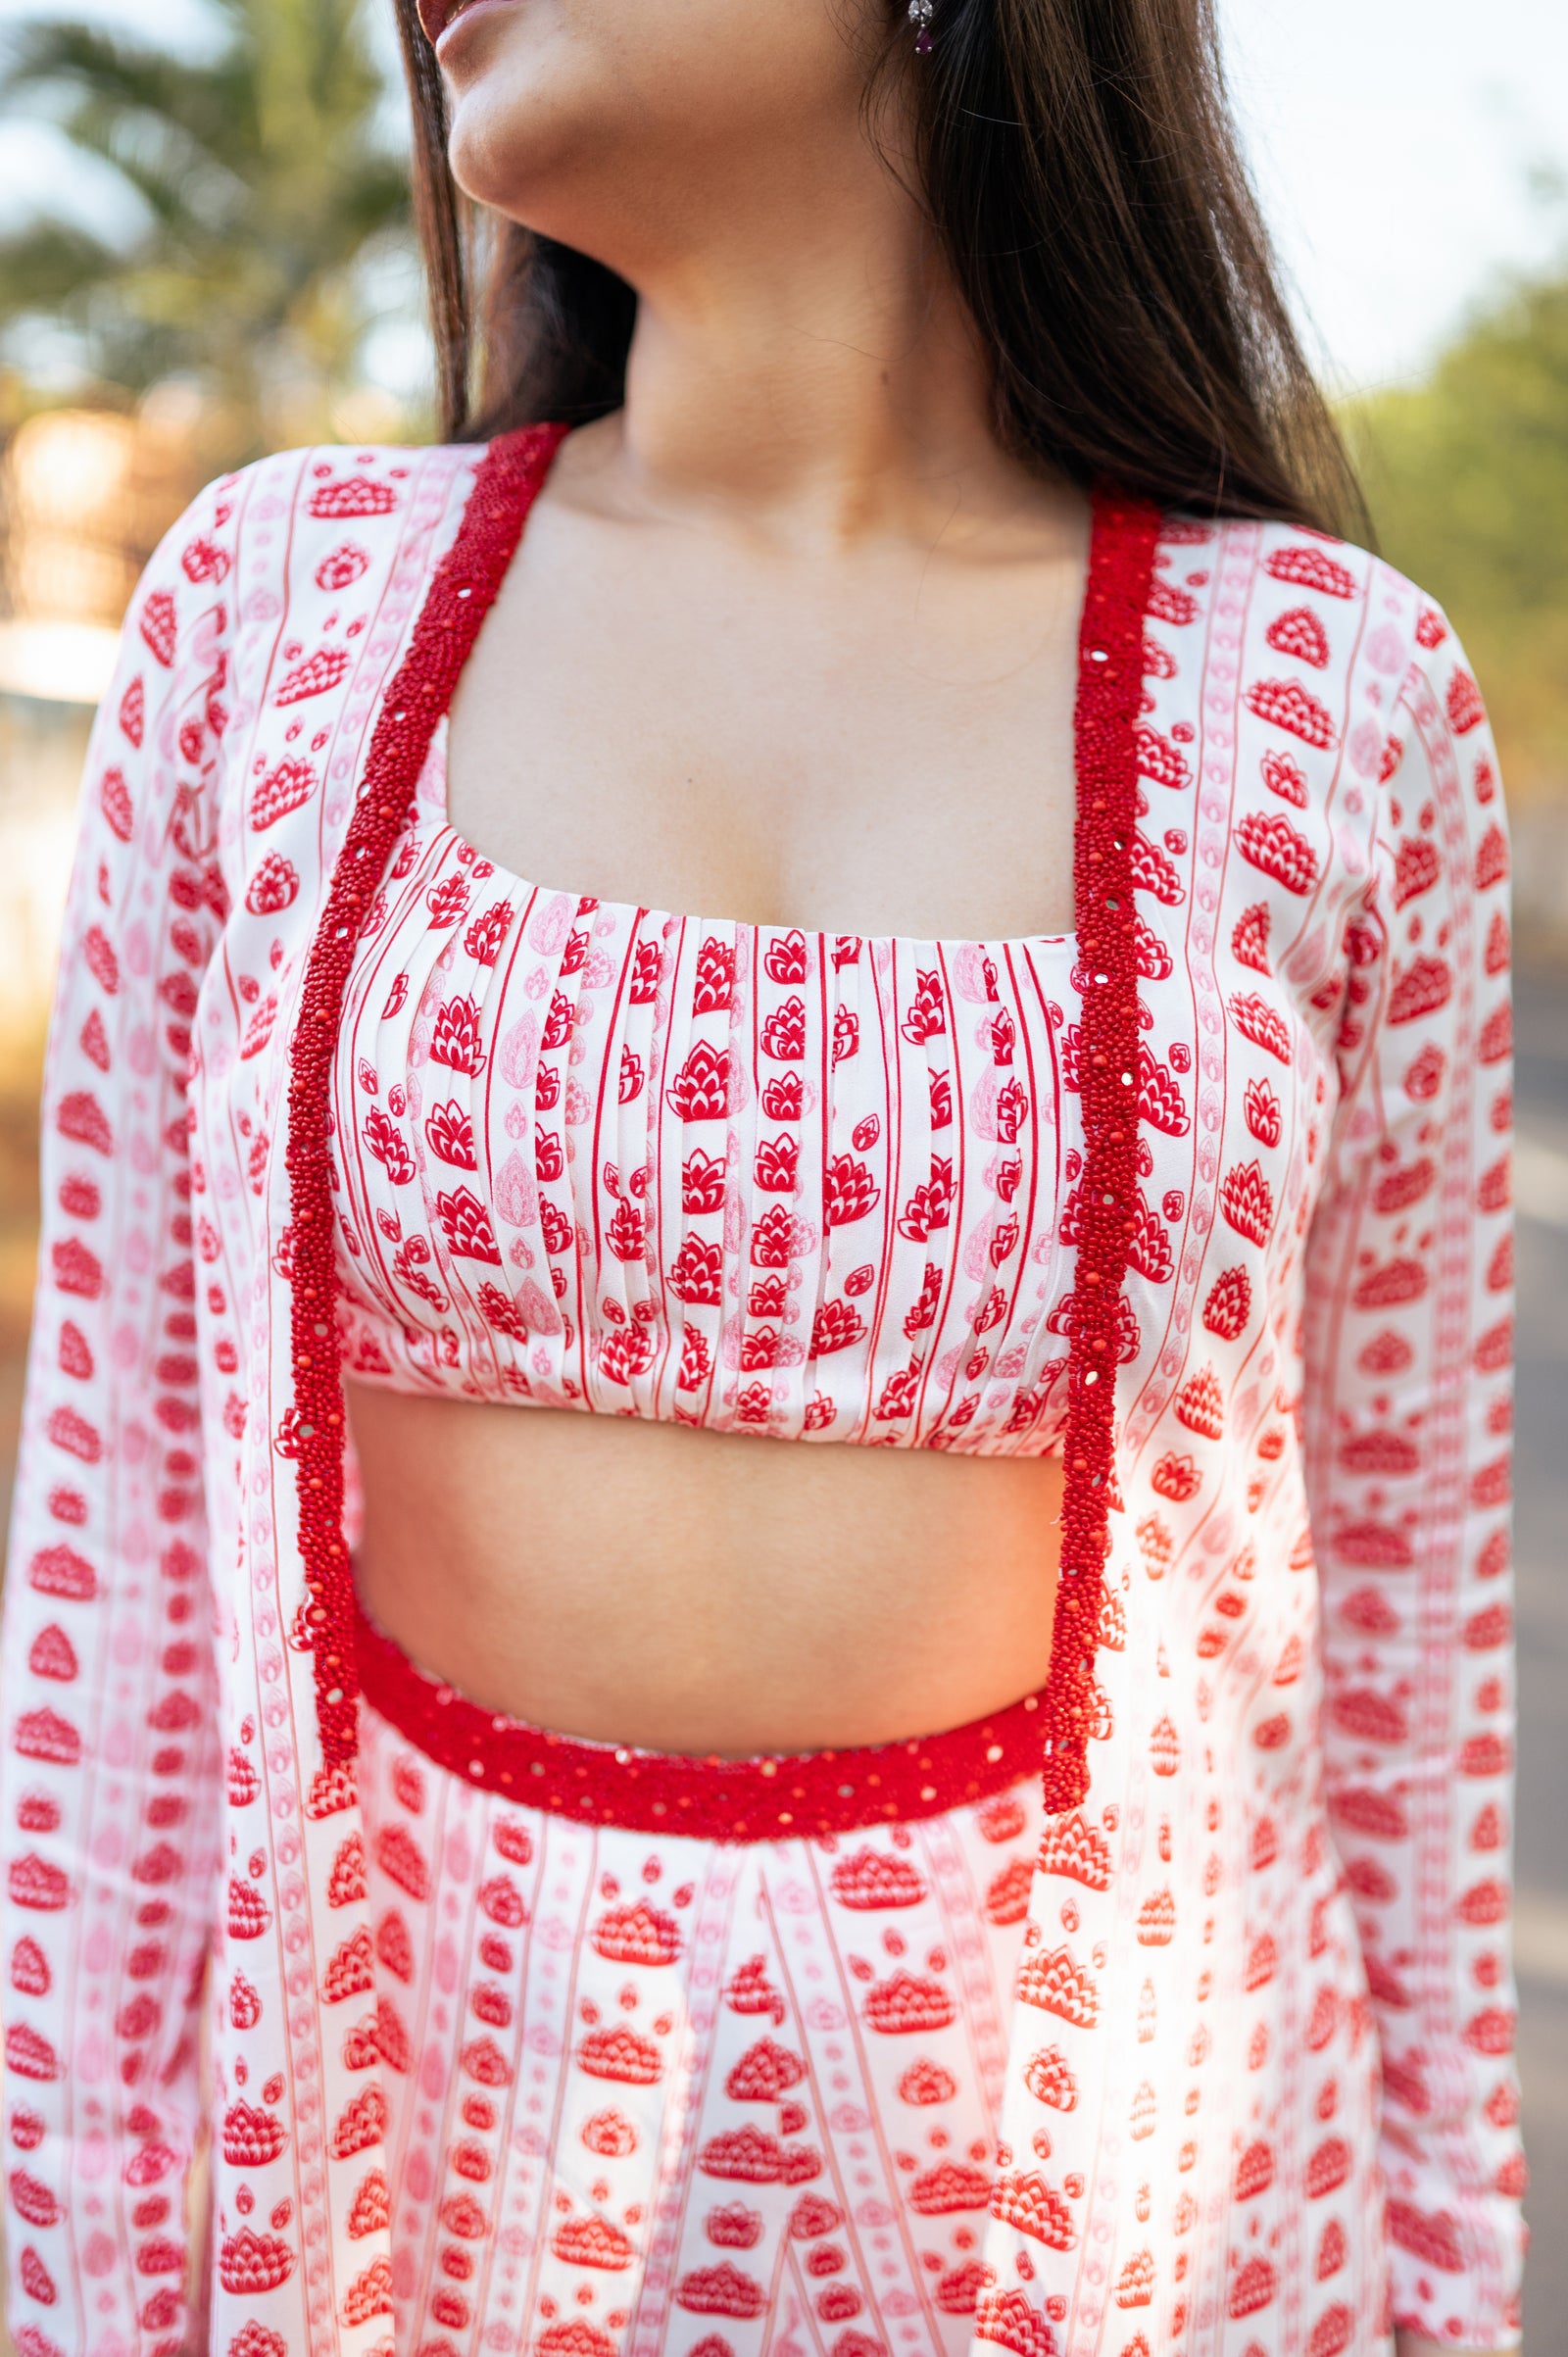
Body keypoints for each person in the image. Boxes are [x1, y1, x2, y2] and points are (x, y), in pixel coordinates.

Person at [0, 0, 1527, 2349]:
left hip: (1135, 2258)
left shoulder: (1323, 698)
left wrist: (1437, 2293)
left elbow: (1406, 1644)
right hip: (397, 2224)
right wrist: (86, 2284)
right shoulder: (272, 617)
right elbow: (115, 1596)